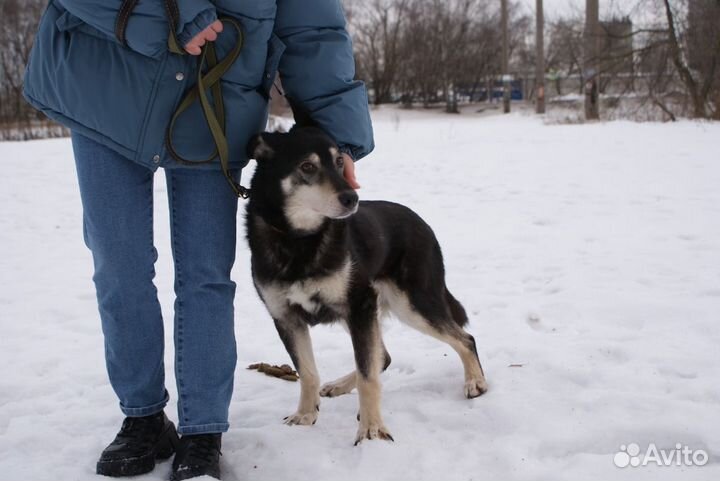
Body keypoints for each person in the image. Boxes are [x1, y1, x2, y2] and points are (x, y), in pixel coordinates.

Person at [23, 1, 373, 479]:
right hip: (106, 87)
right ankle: (142, 417)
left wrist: (337, 143)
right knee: (118, 265)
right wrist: (166, 16)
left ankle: (203, 431)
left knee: (205, 276)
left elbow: (312, 27)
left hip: (216, 100)